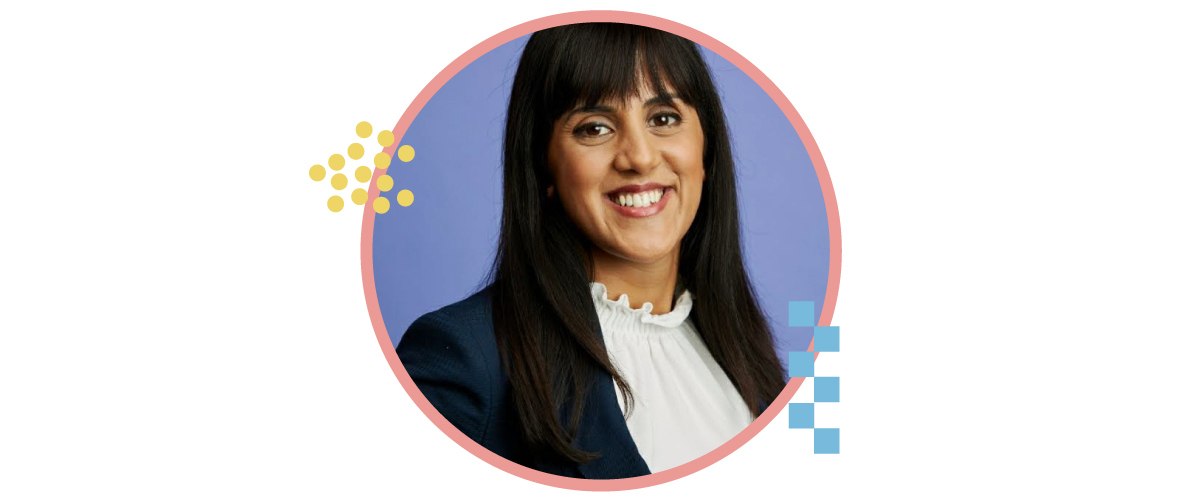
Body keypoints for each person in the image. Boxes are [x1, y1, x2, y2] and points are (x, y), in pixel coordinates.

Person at [396, 22, 786, 479]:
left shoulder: (749, 352)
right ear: (544, 165)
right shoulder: (467, 361)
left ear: (708, 149)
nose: (639, 157)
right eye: (594, 128)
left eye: (663, 118)